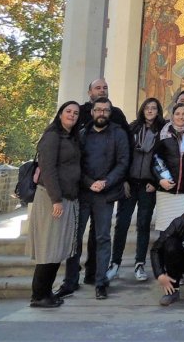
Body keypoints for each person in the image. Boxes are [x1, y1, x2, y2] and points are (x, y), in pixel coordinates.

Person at [62, 97, 130, 300]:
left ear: (110, 113)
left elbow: (123, 162)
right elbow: (76, 164)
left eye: (106, 110)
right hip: (83, 192)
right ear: (92, 112)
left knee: (102, 238)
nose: (102, 113)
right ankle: (70, 281)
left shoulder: (118, 134)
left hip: (106, 194)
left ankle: (101, 282)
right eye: (98, 110)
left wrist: (105, 182)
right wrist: (89, 182)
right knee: (75, 237)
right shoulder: (82, 134)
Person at [27, 101, 82, 308]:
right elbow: (48, 170)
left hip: (66, 197)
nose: (72, 115)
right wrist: (56, 199)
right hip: (52, 199)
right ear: (60, 114)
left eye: (76, 113)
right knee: (48, 247)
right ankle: (39, 295)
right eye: (68, 111)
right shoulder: (52, 137)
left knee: (56, 247)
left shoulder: (70, 137)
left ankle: (46, 292)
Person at [110, 97, 164, 283]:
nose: (150, 111)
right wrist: (123, 179)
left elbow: (165, 159)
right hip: (130, 183)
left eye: (154, 108)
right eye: (147, 108)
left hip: (148, 185)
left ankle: (139, 263)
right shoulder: (132, 129)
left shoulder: (162, 131)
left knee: (143, 224)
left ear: (158, 111)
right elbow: (123, 155)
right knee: (122, 224)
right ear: (142, 110)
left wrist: (156, 182)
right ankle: (115, 262)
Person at [153, 103, 184, 234]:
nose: (181, 117)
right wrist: (160, 179)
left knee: (183, 231)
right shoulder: (164, 133)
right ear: (172, 116)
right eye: (177, 114)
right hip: (166, 190)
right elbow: (157, 158)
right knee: (165, 232)